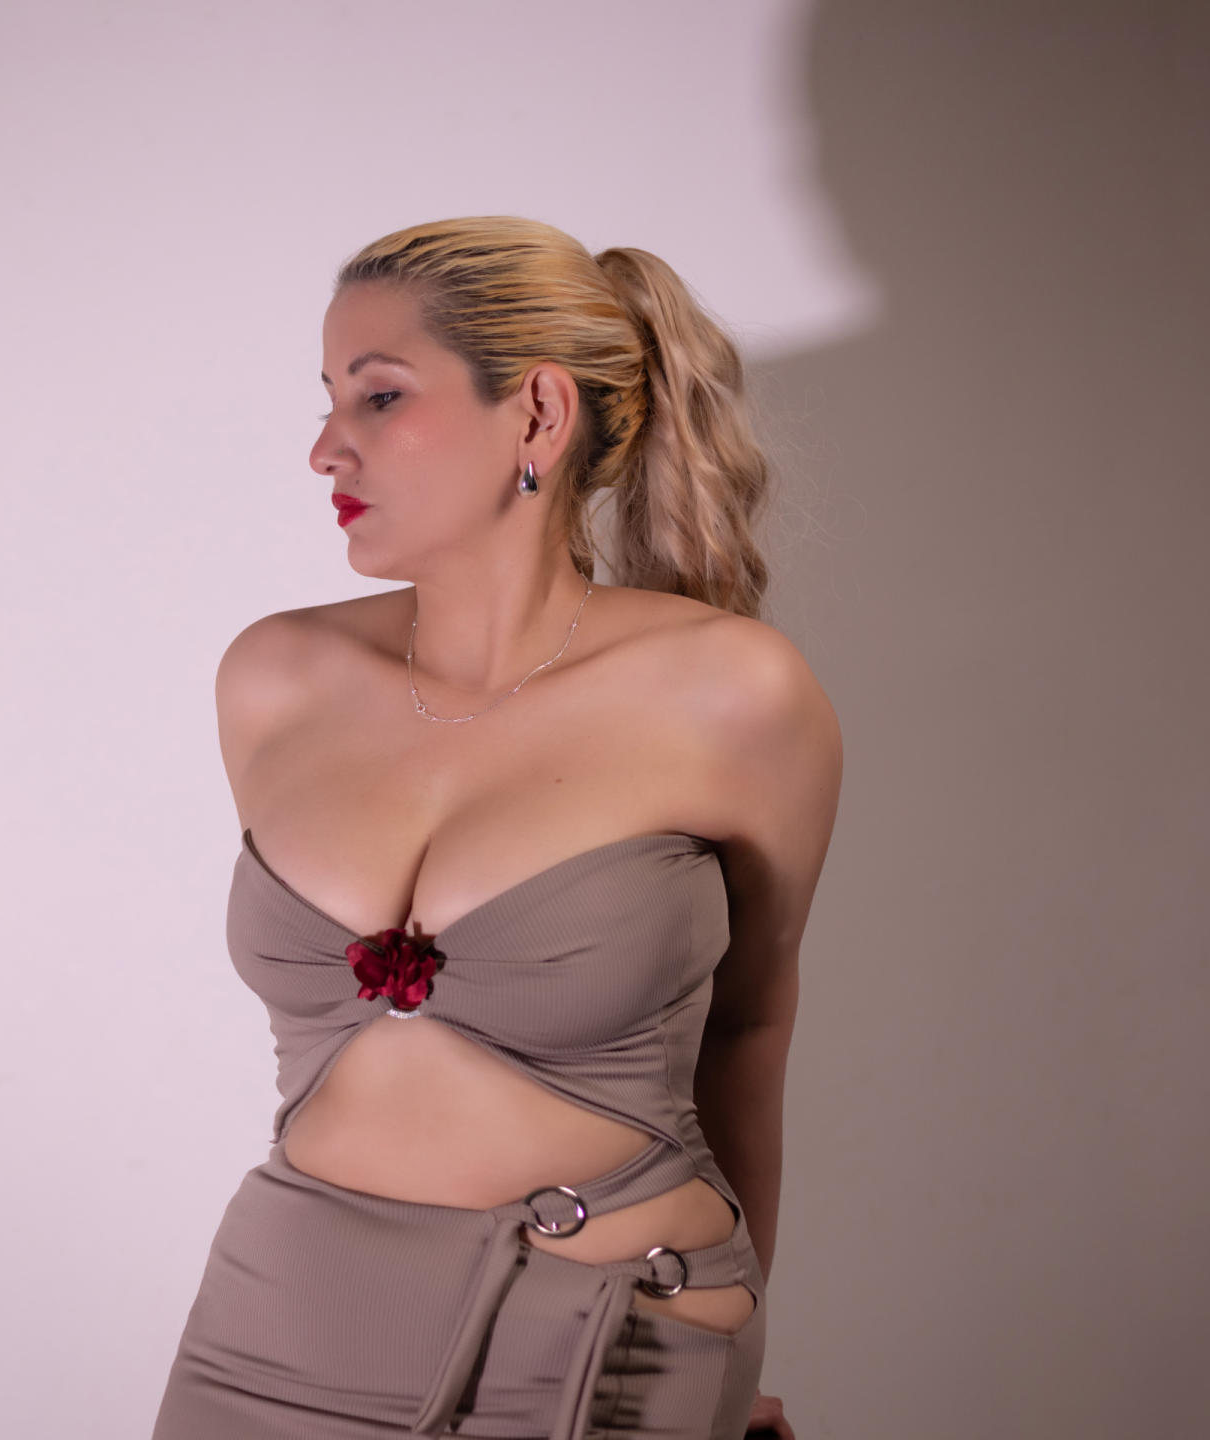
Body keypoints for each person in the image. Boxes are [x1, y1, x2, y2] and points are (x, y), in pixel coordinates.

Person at [150, 215, 839, 1439]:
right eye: (328, 400)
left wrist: (727, 1364)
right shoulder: (275, 681)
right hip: (276, 1328)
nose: (324, 448)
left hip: (600, 1334)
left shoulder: (732, 694)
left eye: (379, 397)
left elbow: (750, 1028)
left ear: (537, 414)